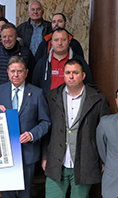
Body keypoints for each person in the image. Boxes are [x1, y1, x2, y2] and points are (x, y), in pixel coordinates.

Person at [42, 59, 111, 198]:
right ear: (63, 75)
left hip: (85, 162)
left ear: (83, 75)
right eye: (68, 73)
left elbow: (106, 133)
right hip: (56, 162)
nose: (71, 76)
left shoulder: (98, 99)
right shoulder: (52, 96)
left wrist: (104, 160)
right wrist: (44, 156)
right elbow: (47, 129)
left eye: (75, 73)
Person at [0, 56, 51, 198]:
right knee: (7, 194)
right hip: (4, 152)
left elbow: (46, 122)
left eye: (19, 71)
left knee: (26, 194)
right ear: (7, 72)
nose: (16, 75)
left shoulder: (37, 93)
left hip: (28, 152)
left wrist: (32, 134)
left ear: (26, 72)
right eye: (12, 71)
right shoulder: (0, 90)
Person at [32, 28, 92, 96]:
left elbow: (89, 85)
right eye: (56, 40)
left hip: (72, 102)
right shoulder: (42, 62)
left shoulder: (79, 62)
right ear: (51, 42)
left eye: (63, 40)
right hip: (47, 103)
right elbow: (35, 87)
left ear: (69, 41)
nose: (60, 43)